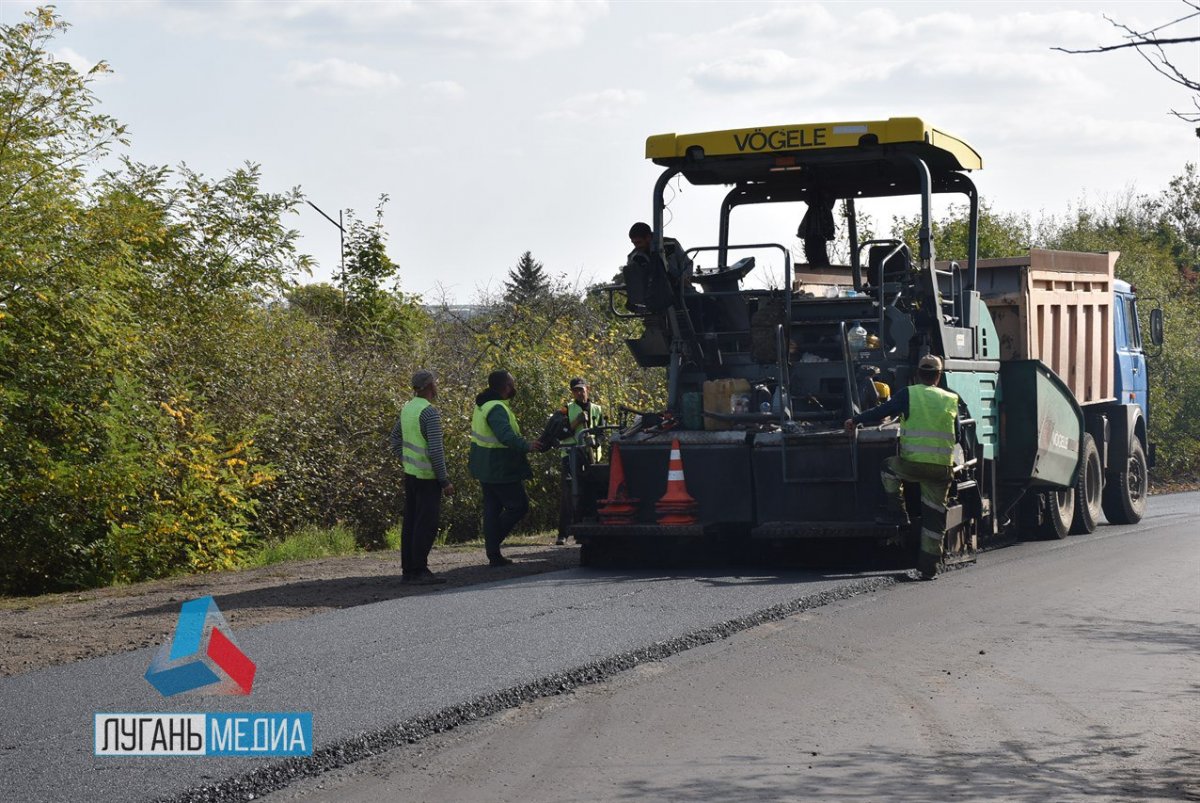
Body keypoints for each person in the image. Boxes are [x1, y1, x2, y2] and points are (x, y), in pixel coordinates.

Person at [844, 355, 960, 580]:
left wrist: (856, 419)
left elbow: (882, 411)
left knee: (888, 467)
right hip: (942, 469)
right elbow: (958, 435)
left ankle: (897, 512)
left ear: (917, 374)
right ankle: (928, 569)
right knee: (934, 520)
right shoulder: (951, 398)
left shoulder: (910, 394)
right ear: (938, 375)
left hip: (913, 465)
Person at [469, 370, 543, 566]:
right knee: (519, 506)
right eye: (512, 384)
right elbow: (505, 435)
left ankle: (493, 553)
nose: (514, 388)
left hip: (485, 465)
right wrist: (526, 445)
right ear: (505, 387)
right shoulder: (497, 408)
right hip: (500, 466)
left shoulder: (483, 404)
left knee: (492, 509)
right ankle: (492, 544)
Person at [389, 369, 455, 585]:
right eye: (434, 383)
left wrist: (406, 459)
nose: (436, 386)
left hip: (411, 474)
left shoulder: (407, 409)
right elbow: (436, 450)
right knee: (426, 524)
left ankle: (408, 570)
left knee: (410, 522)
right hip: (427, 476)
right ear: (428, 387)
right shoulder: (429, 413)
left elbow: (395, 439)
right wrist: (444, 480)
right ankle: (420, 570)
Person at [557, 378, 604, 545]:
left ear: (587, 389)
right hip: (571, 455)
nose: (579, 393)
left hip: (592, 457)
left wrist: (596, 441)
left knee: (591, 492)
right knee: (569, 493)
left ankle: (584, 531)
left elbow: (602, 432)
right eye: (575, 390)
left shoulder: (597, 409)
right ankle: (563, 533)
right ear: (572, 392)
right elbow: (559, 433)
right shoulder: (566, 410)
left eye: (581, 389)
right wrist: (576, 421)